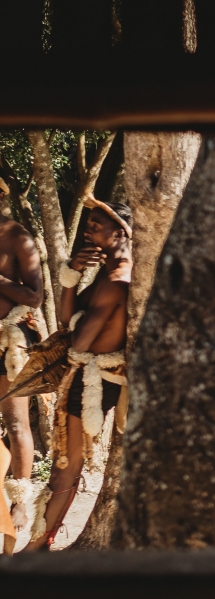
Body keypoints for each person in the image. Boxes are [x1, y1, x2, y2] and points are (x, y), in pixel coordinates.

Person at [24, 198, 132, 551]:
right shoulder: (106, 272)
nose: (88, 231)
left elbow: (78, 341)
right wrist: (72, 271)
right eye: (87, 225)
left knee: (65, 468)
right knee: (62, 465)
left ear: (119, 233)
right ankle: (40, 543)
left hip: (94, 381)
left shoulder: (118, 279)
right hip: (86, 374)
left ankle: (39, 546)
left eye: (95, 226)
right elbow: (68, 315)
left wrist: (73, 338)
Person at [0, 176, 45, 538]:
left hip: (10, 341)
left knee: (16, 424)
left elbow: (35, 296)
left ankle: (19, 502)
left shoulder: (16, 237)